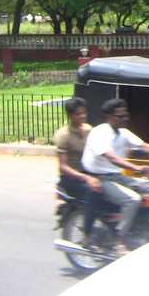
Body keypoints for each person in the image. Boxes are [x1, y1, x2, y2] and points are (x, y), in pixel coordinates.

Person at [81, 98, 149, 254]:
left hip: (117, 176)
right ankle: (119, 240)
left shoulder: (123, 133)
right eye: (120, 116)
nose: (125, 118)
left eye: (125, 115)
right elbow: (112, 157)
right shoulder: (99, 133)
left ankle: (143, 228)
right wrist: (136, 167)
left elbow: (144, 146)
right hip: (100, 178)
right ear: (109, 117)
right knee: (132, 199)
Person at [53, 97, 101, 241]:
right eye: (78, 114)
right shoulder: (63, 135)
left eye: (84, 113)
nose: (82, 116)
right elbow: (63, 166)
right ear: (70, 115)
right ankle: (88, 233)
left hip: (89, 172)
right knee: (95, 193)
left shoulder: (88, 130)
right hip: (71, 178)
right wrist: (86, 178)